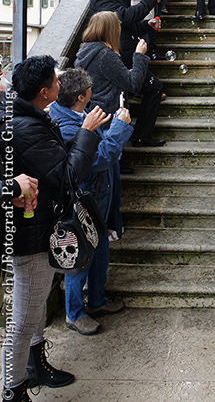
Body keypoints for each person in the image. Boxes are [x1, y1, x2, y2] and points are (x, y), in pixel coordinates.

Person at [0, 55, 108, 401]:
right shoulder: (27, 127)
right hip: (29, 234)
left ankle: (35, 368)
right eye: (56, 82)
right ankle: (13, 389)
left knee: (33, 310)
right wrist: (88, 133)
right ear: (45, 92)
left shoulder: (31, 118)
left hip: (39, 224)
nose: (61, 87)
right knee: (22, 319)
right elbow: (66, 175)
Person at [49, 68, 133, 336]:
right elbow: (96, 160)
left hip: (100, 198)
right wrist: (120, 126)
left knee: (100, 253)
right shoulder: (64, 125)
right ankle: (74, 314)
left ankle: (97, 301)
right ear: (83, 96)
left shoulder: (78, 113)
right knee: (79, 260)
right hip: (83, 203)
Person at [88, 0, 166, 147]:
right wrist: (150, 0)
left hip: (124, 54)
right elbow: (124, 17)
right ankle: (133, 140)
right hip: (117, 58)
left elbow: (125, 27)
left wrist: (147, 25)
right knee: (148, 90)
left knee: (150, 89)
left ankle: (139, 137)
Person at [76, 11, 163, 148]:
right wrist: (139, 55)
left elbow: (105, 77)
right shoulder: (105, 55)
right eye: (118, 25)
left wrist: (123, 73)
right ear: (112, 30)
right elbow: (133, 84)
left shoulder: (86, 50)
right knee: (109, 156)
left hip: (98, 110)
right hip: (108, 115)